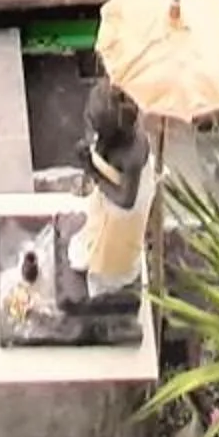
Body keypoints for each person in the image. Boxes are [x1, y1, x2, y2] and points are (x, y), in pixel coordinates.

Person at [70, 79, 150, 292]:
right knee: (95, 232)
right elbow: (94, 139)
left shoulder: (133, 153)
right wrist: (88, 151)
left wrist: (94, 173)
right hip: (109, 189)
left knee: (110, 254)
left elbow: (126, 200)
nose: (88, 124)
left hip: (122, 211)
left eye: (93, 124)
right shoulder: (110, 133)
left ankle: (109, 281)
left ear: (110, 131)